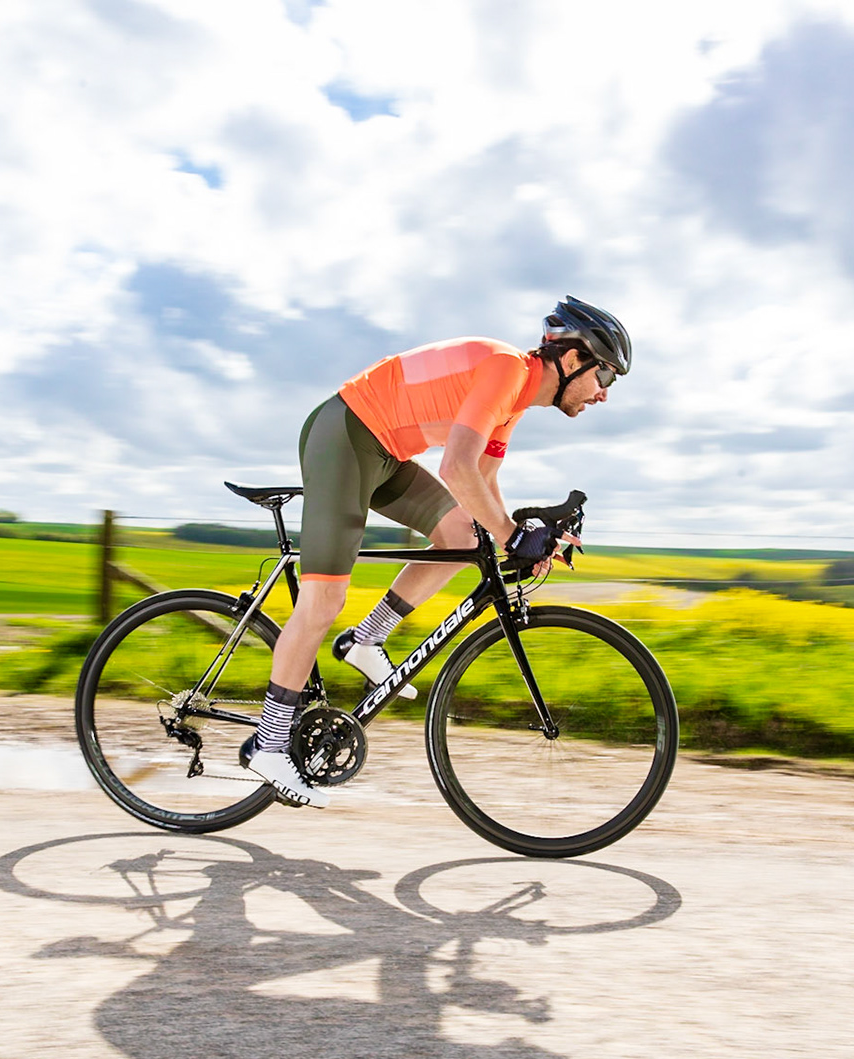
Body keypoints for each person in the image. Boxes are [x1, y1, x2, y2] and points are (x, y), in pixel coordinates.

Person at [246, 296, 632, 808]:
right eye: (605, 379)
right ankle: (269, 744)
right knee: (322, 602)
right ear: (572, 358)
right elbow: (455, 468)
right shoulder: (504, 371)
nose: (604, 396)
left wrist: (524, 539)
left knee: (462, 537)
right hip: (345, 435)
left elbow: (482, 485)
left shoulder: (514, 402)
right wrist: (510, 534)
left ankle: (366, 640)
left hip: (385, 453)